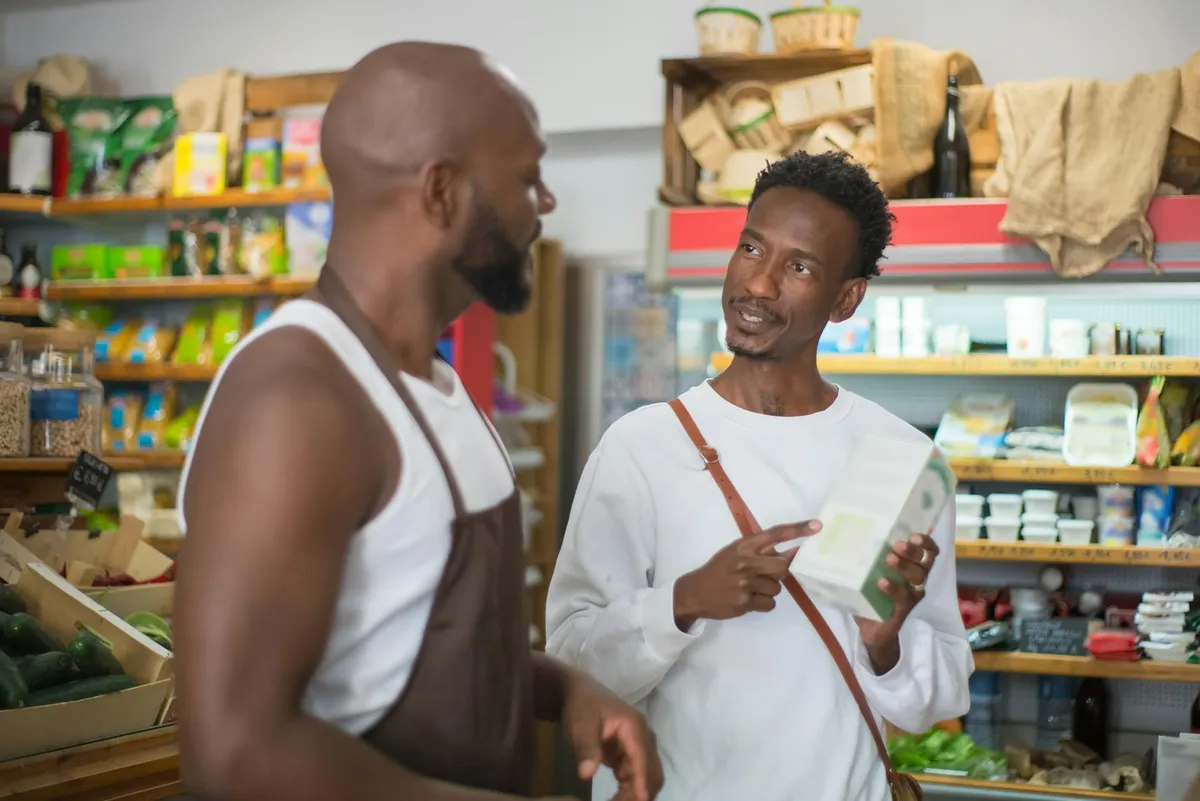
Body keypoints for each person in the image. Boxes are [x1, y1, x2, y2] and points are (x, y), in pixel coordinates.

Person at [175, 42, 662, 801]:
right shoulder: (298, 398)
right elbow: (236, 754)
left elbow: (422, 649)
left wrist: (569, 689)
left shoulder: (437, 384)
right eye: (527, 178)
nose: (545, 203)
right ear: (440, 191)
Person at [546, 151, 972, 801]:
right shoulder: (641, 447)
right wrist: (682, 600)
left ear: (846, 298)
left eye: (799, 267)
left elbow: (939, 698)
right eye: (751, 248)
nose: (760, 284)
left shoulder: (903, 459)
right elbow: (571, 667)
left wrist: (886, 643)